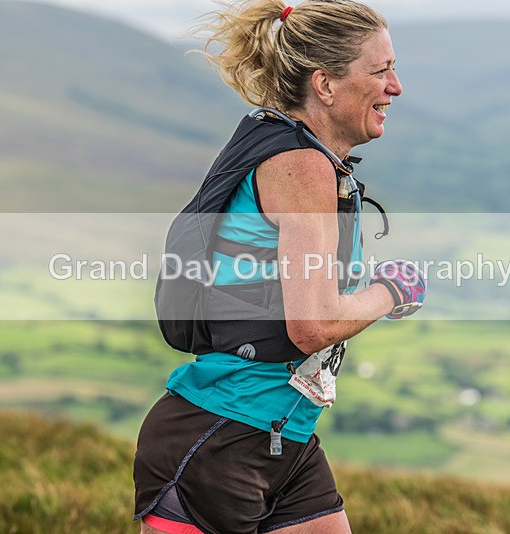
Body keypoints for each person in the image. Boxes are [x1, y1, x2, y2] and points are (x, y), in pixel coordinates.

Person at [134, 1, 424, 532]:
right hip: (220, 439)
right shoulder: (301, 166)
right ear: (326, 84)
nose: (396, 86)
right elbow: (312, 325)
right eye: (381, 71)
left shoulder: (287, 147)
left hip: (283, 436)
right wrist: (394, 289)